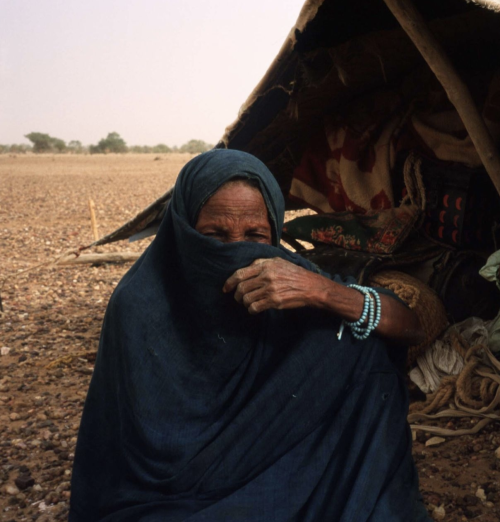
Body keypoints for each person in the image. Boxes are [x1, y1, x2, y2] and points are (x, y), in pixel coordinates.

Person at [69, 149, 430, 521]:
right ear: (183, 231)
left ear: (273, 232)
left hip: (287, 473)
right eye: (215, 235)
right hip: (173, 498)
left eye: (255, 235)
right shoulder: (141, 305)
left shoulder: (289, 277)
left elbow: (410, 326)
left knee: (362, 345)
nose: (237, 250)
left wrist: (321, 290)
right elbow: (123, 457)